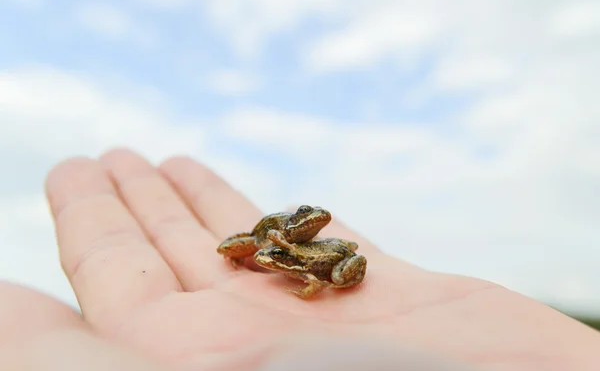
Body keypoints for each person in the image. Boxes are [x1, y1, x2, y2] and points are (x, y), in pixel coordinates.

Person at [1, 148, 599, 370]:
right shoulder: (275, 235)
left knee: (337, 263)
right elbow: (255, 243)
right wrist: (259, 255)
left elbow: (321, 261)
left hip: (330, 263)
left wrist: (312, 283)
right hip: (288, 250)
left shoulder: (315, 244)